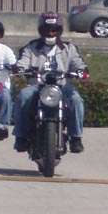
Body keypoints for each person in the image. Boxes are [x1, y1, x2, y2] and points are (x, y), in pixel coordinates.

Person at [12, 11, 88, 153]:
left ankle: (76, 138)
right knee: (23, 96)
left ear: (59, 31)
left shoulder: (69, 48)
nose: (50, 33)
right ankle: (20, 136)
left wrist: (81, 70)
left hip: (62, 86)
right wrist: (20, 68)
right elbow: (23, 61)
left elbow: (78, 62)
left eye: (54, 30)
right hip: (37, 85)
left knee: (77, 100)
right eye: (47, 30)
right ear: (41, 31)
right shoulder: (31, 47)